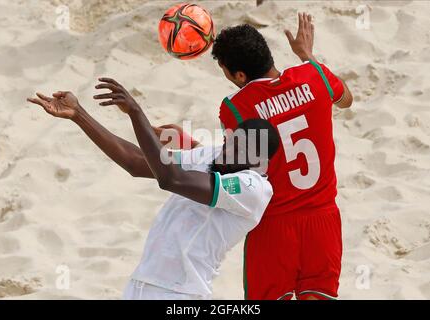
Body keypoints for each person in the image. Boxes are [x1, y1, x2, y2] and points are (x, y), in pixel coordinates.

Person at [26, 78, 280, 299]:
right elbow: (137, 163)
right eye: (231, 143)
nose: (229, 152)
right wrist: (79, 115)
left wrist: (136, 112)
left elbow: (172, 179)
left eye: (241, 151)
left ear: (259, 162)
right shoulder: (215, 154)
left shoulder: (253, 189)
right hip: (141, 284)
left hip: (182, 293)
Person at [209, 13, 354, 300]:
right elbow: (346, 100)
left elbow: (234, 166)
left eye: (225, 71)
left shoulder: (235, 108)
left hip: (274, 225)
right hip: (323, 219)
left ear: (239, 75)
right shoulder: (315, 74)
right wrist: (308, 57)